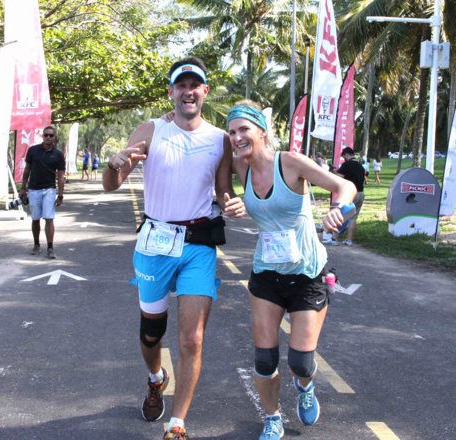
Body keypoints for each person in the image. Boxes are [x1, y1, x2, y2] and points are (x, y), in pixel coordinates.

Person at [103, 56, 244, 440]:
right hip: (154, 243)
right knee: (152, 333)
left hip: (198, 244)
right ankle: (155, 377)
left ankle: (178, 423)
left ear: (204, 91)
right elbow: (110, 185)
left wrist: (233, 201)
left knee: (192, 338)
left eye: (193, 85)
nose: (187, 92)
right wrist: (114, 164)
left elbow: (223, 188)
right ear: (171, 92)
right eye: (180, 86)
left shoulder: (218, 139)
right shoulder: (151, 130)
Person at [227, 101, 356, 440]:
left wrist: (338, 210)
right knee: (265, 358)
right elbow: (206, 170)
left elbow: (345, 186)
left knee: (300, 361)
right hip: (266, 274)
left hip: (308, 274)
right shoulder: (240, 167)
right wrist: (228, 201)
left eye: (243, 129)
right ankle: (272, 418)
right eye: (231, 131)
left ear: (261, 131)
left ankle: (305, 386)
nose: (237, 137)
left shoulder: (291, 162)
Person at [19, 126, 66, 259]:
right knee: (35, 219)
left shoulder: (58, 154)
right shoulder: (33, 151)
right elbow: (27, 169)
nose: (48, 137)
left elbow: (61, 176)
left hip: (49, 189)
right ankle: (36, 244)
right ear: (42, 136)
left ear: (54, 137)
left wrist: (61, 195)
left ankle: (50, 248)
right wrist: (23, 188)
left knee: (49, 218)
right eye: (46, 135)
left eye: (51, 135)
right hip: (34, 189)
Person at [324, 147, 365, 246]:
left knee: (341, 216)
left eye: (344, 156)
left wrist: (333, 171)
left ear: (347, 154)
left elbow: (340, 177)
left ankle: (334, 239)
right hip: (361, 193)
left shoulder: (346, 165)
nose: (344, 159)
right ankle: (349, 240)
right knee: (353, 218)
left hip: (349, 194)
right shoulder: (361, 166)